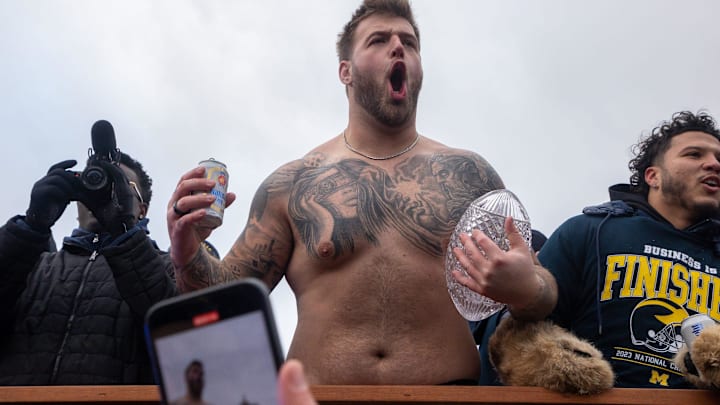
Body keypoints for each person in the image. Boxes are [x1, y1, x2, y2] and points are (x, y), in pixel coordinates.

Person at [167, 0, 556, 385]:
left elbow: (542, 290)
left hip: (446, 396)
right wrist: (187, 253)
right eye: (378, 40)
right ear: (345, 71)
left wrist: (527, 288)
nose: (398, 46)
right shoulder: (292, 184)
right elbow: (225, 303)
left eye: (409, 42)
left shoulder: (470, 176)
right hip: (323, 397)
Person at [486, 111, 720, 389]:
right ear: (653, 176)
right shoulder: (588, 230)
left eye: (719, 158)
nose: (713, 164)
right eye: (694, 154)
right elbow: (515, 338)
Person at [0, 151, 177, 384]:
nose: (105, 193)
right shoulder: (35, 264)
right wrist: (30, 226)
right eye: (97, 180)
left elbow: (180, 338)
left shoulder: (170, 269)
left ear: (142, 210)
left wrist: (123, 234)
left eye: (121, 184)